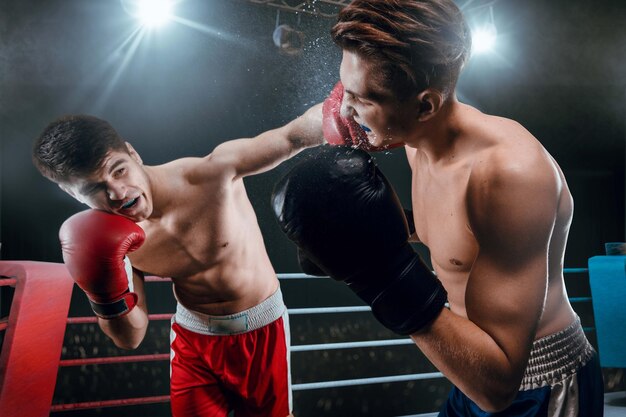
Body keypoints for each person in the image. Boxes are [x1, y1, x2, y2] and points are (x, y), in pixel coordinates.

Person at [270, 0, 605, 415]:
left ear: (425, 105)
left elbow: (499, 386)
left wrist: (380, 274)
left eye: (360, 98)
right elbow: (450, 228)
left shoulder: (510, 175)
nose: (344, 109)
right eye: (345, 90)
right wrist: (359, 232)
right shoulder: (416, 141)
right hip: (468, 372)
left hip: (534, 386)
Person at [32, 112, 325, 417]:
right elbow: (131, 336)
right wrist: (104, 297)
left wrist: (354, 106)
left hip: (261, 331)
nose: (117, 193)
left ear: (132, 153)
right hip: (193, 343)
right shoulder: (112, 244)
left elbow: (292, 137)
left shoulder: (211, 174)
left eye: (119, 171)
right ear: (71, 193)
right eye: (94, 189)